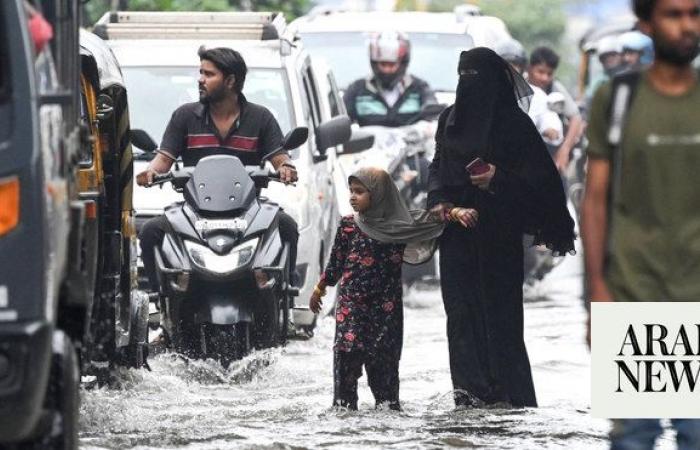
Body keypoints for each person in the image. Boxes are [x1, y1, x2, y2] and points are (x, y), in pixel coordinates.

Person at [427, 48, 575, 408]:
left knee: (501, 318)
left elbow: (540, 184)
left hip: (499, 237)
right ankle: (469, 398)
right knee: (461, 317)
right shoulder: (449, 119)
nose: (469, 85)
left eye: (476, 76)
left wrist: (497, 179)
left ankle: (509, 400)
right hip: (457, 235)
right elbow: (437, 167)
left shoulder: (513, 126)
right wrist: (443, 205)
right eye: (464, 76)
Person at [582, 0, 700, 448]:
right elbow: (594, 201)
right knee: (634, 434)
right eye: (674, 14)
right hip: (633, 295)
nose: (687, 25)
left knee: (696, 432)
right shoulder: (616, 100)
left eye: (695, 13)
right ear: (647, 24)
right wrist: (597, 294)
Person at [309, 167, 477, 410]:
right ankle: (343, 422)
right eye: (351, 191)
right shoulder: (348, 225)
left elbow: (433, 218)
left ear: (378, 195)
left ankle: (387, 429)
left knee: (385, 374)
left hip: (385, 311)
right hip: (351, 308)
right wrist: (319, 290)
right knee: (346, 360)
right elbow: (335, 263)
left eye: (360, 192)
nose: (352, 197)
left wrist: (457, 212)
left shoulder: (399, 227)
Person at [136, 47, 299, 293]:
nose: (200, 79)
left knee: (286, 225)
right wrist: (149, 173)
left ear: (231, 81)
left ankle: (284, 293)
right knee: (150, 232)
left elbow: (279, 157)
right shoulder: (184, 116)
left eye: (209, 74)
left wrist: (286, 167)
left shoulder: (261, 118)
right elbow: (163, 160)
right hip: (194, 212)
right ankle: (162, 301)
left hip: (248, 211)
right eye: (201, 73)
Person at [343, 31, 437, 128]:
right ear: (374, 63)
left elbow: (432, 111)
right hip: (368, 143)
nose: (387, 70)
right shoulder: (357, 90)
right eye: (383, 64)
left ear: (402, 63)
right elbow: (342, 118)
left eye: (392, 64)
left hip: (412, 142)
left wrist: (429, 116)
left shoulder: (419, 88)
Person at [495, 38, 564, 150]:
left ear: (522, 68)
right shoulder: (480, 93)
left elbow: (549, 123)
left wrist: (550, 130)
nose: (510, 71)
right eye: (505, 66)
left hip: (522, 156)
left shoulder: (537, 95)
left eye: (515, 66)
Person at [527, 46, 585, 173]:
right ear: (529, 68)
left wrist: (565, 149)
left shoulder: (555, 88)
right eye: (540, 72)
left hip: (550, 149)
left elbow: (576, 118)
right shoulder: (521, 86)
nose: (545, 78)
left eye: (549, 74)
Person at [586, 35, 625, 101]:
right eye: (605, 57)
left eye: (612, 55)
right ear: (601, 60)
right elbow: (589, 98)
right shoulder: (600, 80)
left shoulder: (628, 75)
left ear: (620, 56)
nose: (609, 59)